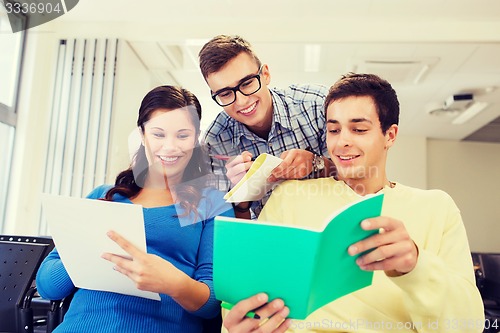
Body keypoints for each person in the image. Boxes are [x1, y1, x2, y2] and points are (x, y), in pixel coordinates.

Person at [223, 73, 484, 333]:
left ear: (390, 135)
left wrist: (416, 266)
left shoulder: (437, 208)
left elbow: (467, 325)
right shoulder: (289, 197)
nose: (342, 141)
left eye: (359, 129)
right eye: (334, 130)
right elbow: (245, 297)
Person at [36, 85, 234, 332]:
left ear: (195, 139)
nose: (170, 147)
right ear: (142, 135)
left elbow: (213, 305)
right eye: (158, 134)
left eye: (182, 136)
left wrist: (173, 283)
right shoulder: (104, 196)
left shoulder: (212, 204)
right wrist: (86, 239)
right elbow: (48, 287)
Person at [199, 35, 335, 217]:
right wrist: (240, 200)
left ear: (265, 75)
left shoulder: (317, 104)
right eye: (225, 94)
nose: (241, 101)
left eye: (247, 83)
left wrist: (317, 163)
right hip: (266, 240)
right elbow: (232, 234)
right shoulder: (214, 142)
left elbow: (357, 177)